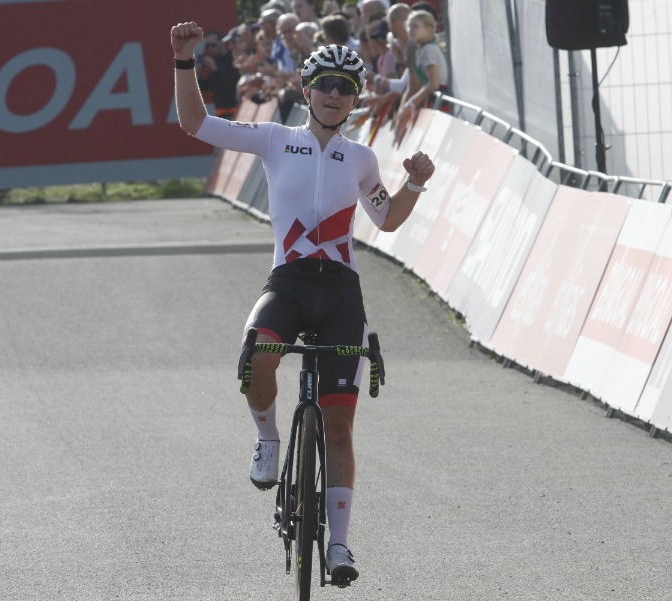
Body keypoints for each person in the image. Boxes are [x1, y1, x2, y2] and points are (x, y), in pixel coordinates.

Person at [171, 20, 435, 583]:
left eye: (345, 87)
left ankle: (339, 547)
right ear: (307, 89)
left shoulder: (361, 158)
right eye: (326, 85)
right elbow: (194, 124)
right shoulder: (273, 138)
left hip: (340, 292)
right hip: (288, 283)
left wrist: (413, 184)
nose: (335, 95)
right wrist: (183, 61)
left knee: (340, 428)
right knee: (257, 354)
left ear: (354, 98)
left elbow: (385, 219)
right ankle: (267, 438)